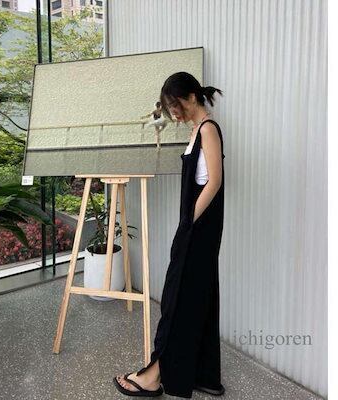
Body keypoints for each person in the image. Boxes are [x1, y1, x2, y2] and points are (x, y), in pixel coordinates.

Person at [113, 71, 226, 398]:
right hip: (196, 226)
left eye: (175, 105)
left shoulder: (208, 129)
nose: (173, 113)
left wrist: (188, 223)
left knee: (178, 301)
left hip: (198, 228)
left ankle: (153, 376)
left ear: (191, 97)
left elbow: (215, 181)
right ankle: (204, 373)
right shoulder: (196, 129)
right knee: (198, 297)